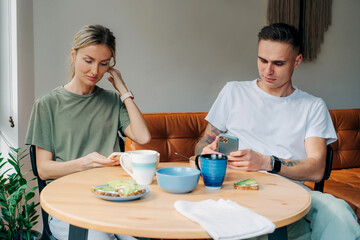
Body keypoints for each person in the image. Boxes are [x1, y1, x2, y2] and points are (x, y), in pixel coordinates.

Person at [195, 23, 360, 240]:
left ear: (297, 61)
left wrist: (267, 162)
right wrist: (206, 152)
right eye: (262, 60)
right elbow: (200, 145)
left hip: (292, 197)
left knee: (340, 213)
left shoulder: (312, 106)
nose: (268, 71)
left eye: (278, 63)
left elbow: (317, 168)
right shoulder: (233, 92)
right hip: (237, 192)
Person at [26, 24, 151, 240]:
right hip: (69, 203)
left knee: (143, 234)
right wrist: (85, 163)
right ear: (73, 55)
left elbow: (143, 137)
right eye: (88, 61)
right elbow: (44, 170)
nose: (95, 71)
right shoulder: (47, 104)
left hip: (114, 197)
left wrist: (122, 88)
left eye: (104, 64)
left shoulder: (112, 100)